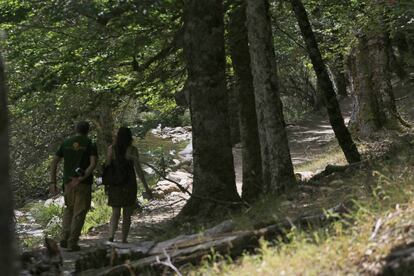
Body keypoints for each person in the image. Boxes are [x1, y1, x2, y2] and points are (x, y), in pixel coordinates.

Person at [50, 121, 98, 251]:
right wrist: (82, 177)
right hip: (83, 183)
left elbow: (54, 163)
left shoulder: (65, 143)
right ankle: (72, 243)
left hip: (68, 183)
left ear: (75, 129)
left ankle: (64, 238)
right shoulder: (90, 143)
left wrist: (52, 183)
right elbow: (93, 164)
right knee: (79, 212)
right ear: (88, 130)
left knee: (69, 209)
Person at [106, 127, 152, 243]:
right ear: (130, 137)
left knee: (115, 212)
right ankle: (124, 239)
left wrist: (106, 184)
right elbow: (138, 170)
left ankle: (111, 237)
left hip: (115, 184)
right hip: (129, 184)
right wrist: (146, 187)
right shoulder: (132, 150)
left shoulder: (111, 149)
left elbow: (107, 167)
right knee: (127, 213)